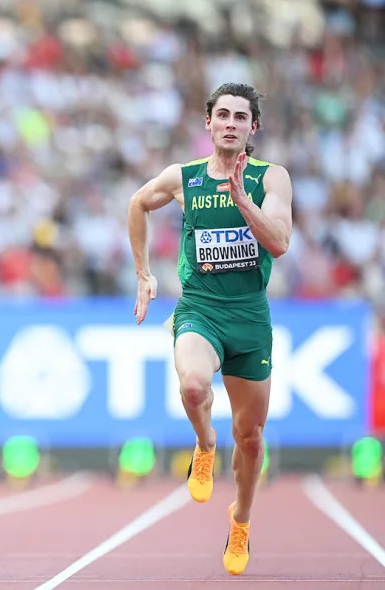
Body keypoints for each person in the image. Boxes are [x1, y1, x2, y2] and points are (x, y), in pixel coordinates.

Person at [127, 83, 293, 575]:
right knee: (194, 385)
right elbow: (137, 203)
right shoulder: (185, 178)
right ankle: (203, 445)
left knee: (252, 436)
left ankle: (240, 519)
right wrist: (143, 272)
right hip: (199, 308)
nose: (230, 124)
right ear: (209, 123)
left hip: (249, 317)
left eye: (241, 117)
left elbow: (280, 242)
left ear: (252, 128)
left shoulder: (272, 178)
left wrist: (243, 199)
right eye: (223, 115)